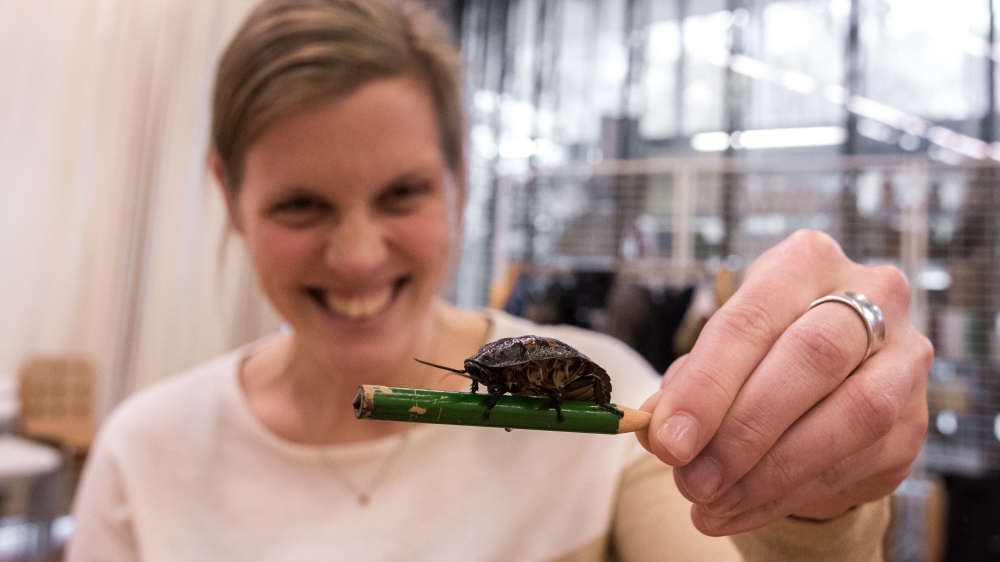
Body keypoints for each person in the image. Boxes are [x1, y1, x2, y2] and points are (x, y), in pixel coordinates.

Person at [66, 0, 932, 560]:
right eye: (301, 206)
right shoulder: (144, 456)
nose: (360, 255)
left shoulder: (619, 394)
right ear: (229, 193)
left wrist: (812, 515)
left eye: (401, 192)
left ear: (460, 184)